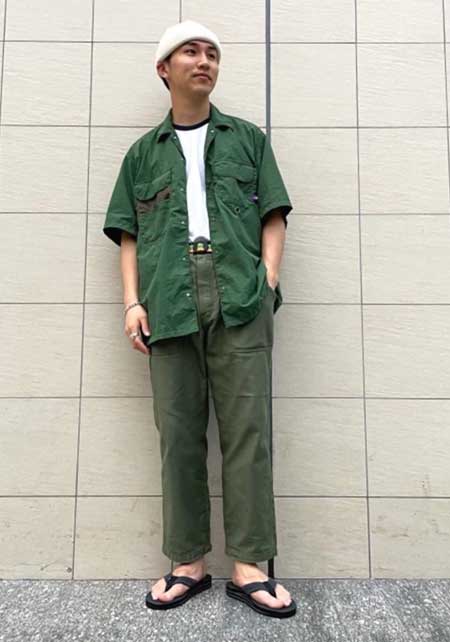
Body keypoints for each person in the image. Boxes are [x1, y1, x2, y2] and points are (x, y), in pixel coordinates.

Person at [103, 19, 296, 619]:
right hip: (167, 298)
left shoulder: (248, 140)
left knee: (248, 434)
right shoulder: (142, 154)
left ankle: (249, 565)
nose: (204, 60)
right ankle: (187, 563)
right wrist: (132, 302)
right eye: (190, 51)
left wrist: (266, 280)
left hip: (239, 292)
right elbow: (129, 235)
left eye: (211, 52)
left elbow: (273, 215)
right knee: (178, 436)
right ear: (165, 69)